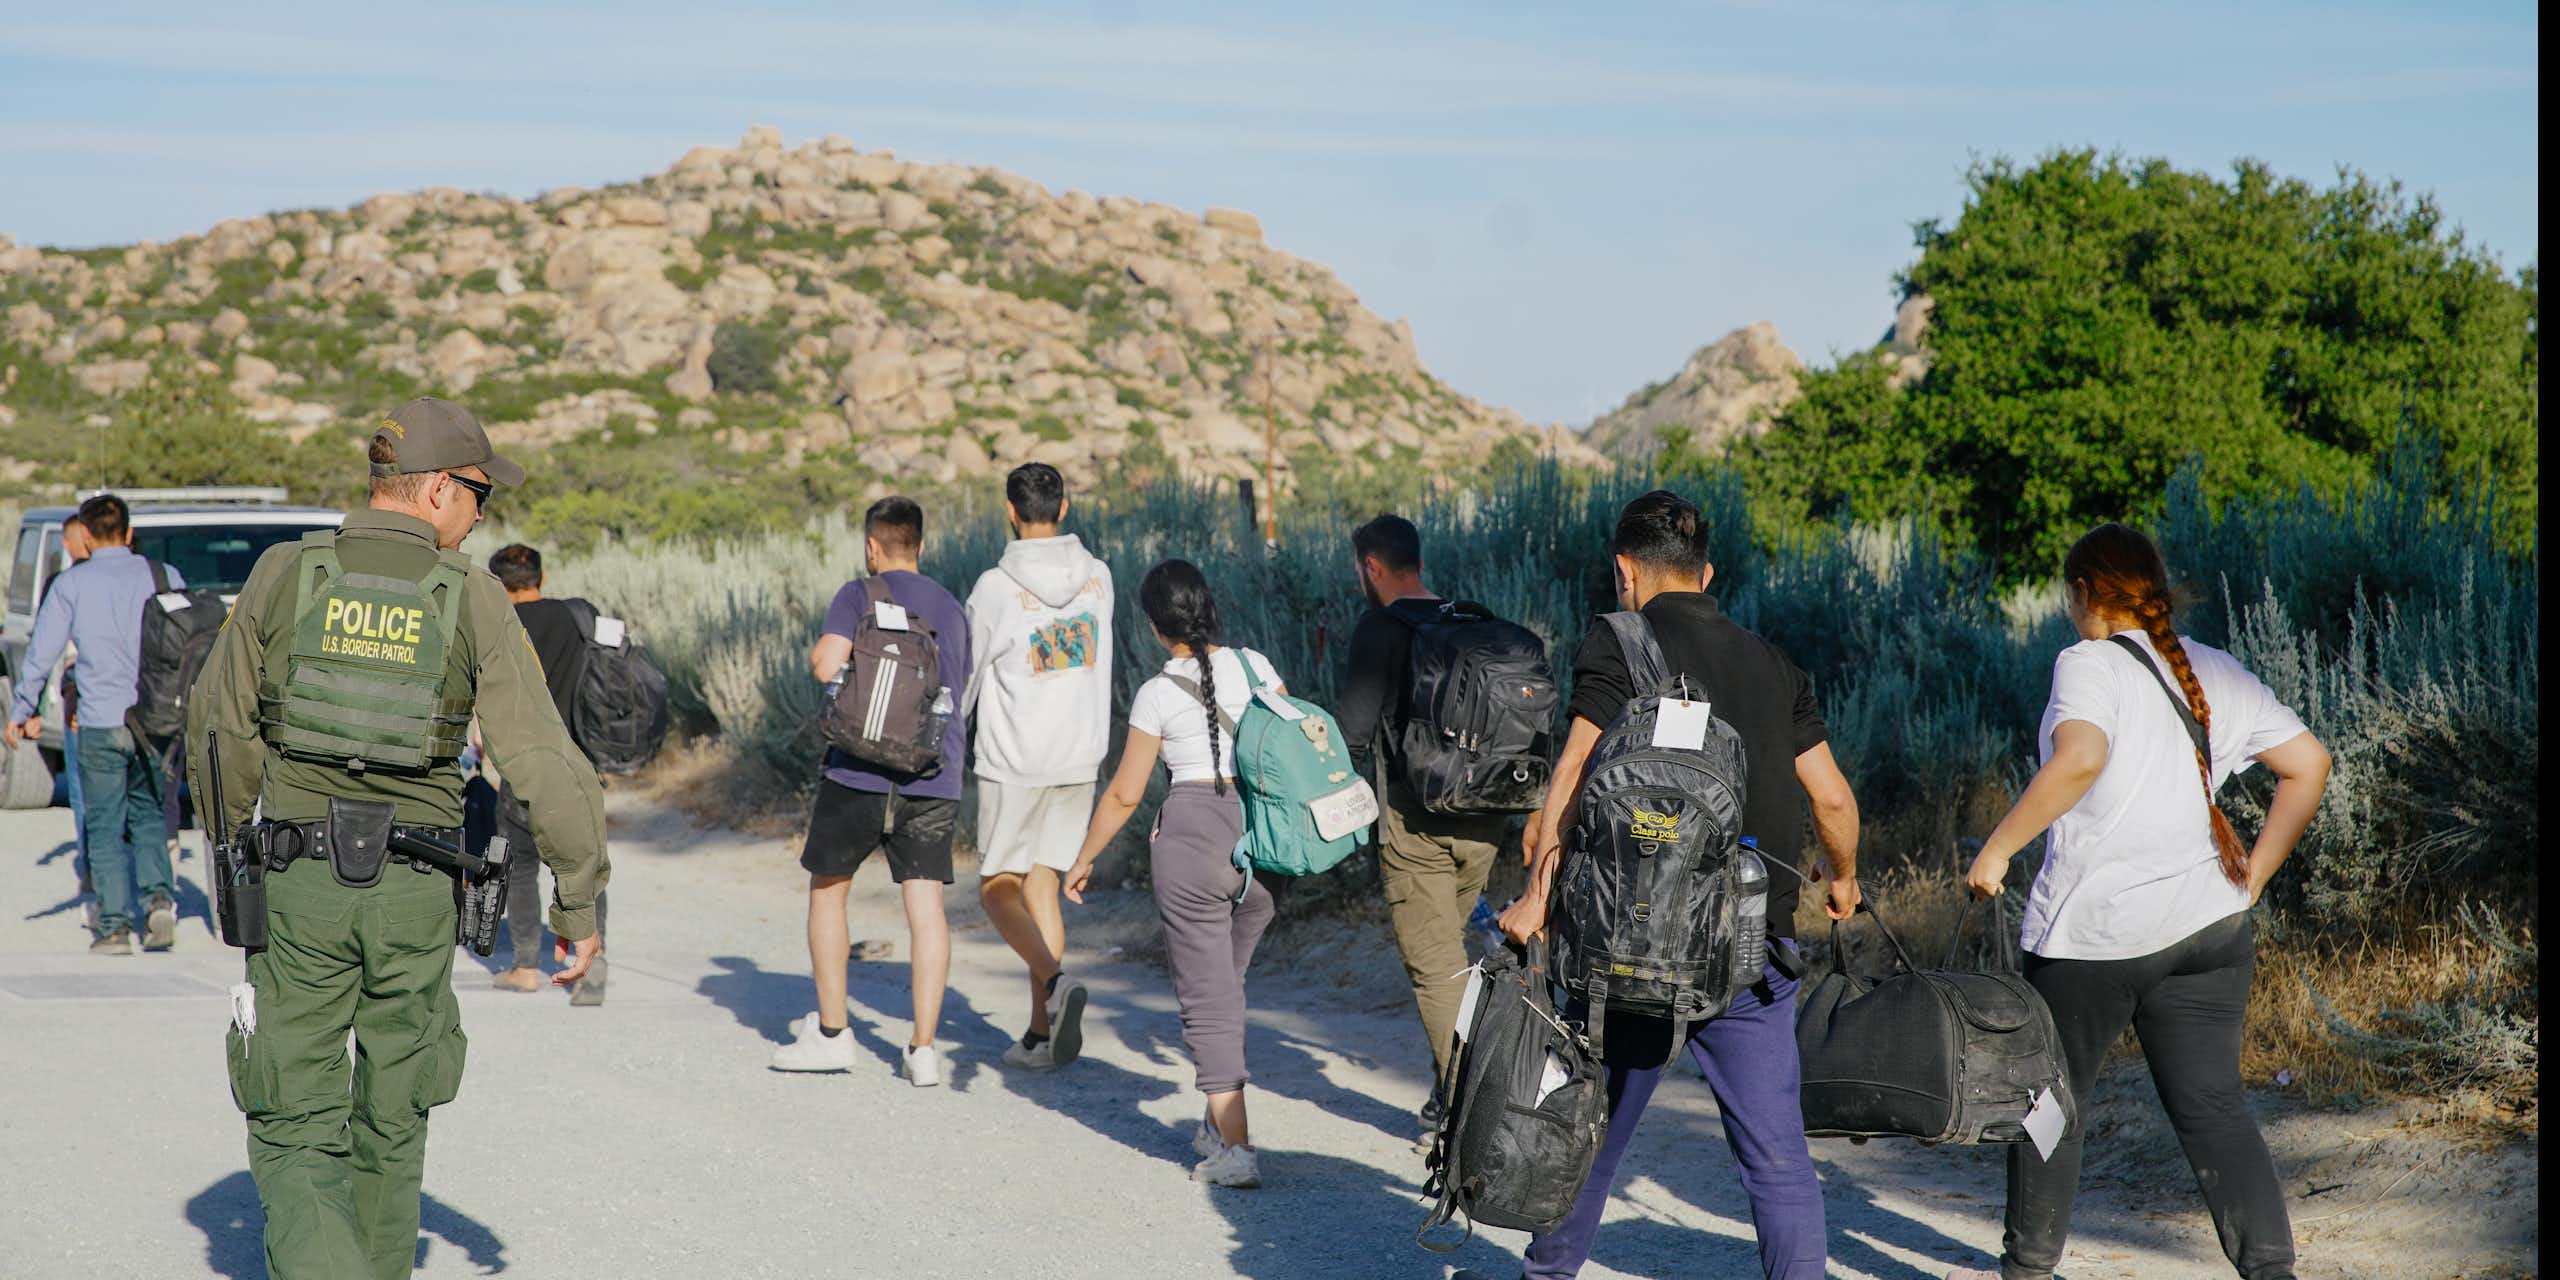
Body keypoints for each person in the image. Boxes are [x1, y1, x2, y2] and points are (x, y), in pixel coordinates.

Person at [185, 397, 608, 1279]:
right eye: (482, 495)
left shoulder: (282, 574)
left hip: (296, 886)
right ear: (439, 492)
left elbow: (219, 729)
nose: (484, 515)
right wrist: (578, 898)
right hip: (417, 893)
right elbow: (540, 756)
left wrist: (232, 859)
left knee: (295, 1118)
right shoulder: (476, 598)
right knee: (395, 1110)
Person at [1490, 489, 1863, 1280]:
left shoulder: (1616, 643)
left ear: (1625, 569)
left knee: (1591, 1131)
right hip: (1756, 941)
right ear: (1709, 572)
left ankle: (1547, 1274)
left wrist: (1535, 899)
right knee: (1776, 1156)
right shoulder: (1774, 663)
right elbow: (1830, 796)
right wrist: (1845, 876)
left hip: (1636, 944)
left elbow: (1573, 776)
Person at [1949, 523, 2329, 1280]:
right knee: (2214, 1109)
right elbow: (2309, 764)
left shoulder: (2087, 663)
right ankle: (2272, 1272)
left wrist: (1997, 849)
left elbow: (2081, 758)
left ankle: (2026, 1271)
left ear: (2085, 593)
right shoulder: (2213, 667)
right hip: (2209, 930)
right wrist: (2252, 877)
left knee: (2048, 1105)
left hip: (2096, 935)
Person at [1062, 559, 1282, 1190]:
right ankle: (1217, 1127)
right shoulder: (1259, 667)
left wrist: (1084, 859)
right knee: (1228, 987)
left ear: (1158, 629)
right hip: (1264, 839)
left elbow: (1127, 793)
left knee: (1206, 1001)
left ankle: (1236, 1150)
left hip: (1192, 838)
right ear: (1209, 608)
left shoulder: (1157, 693)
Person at [771, 496, 971, 1087]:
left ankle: (833, 1035)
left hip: (856, 772)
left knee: (829, 894)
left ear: (871, 547)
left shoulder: (857, 594)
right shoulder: (952, 608)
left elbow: (824, 665)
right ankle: (924, 1050)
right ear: (922, 547)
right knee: (926, 909)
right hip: (933, 776)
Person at [1332, 512, 1511, 1137]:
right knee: (1453, 960)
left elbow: (1352, 734)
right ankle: (1446, 1104)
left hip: (1415, 826)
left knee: (1435, 969)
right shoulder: (1475, 618)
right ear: (1420, 564)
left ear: (1371, 568)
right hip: (1486, 820)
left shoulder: (1379, 627)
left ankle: (1479, 1112)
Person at [961, 462, 1112, 1071]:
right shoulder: (1099, 576)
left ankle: (1054, 983)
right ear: (1065, 508)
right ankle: (1039, 1035)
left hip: (1016, 759)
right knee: (1041, 884)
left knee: (998, 888)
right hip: (1080, 753)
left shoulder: (995, 587)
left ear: (1010, 510)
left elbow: (968, 675)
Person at [7, 494, 181, 955]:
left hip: (100, 721)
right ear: (127, 533)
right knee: (149, 814)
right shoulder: (164, 576)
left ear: (83, 536)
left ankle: (115, 928)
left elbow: (41, 654)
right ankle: (159, 901)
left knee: (104, 824)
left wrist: (21, 711)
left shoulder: (71, 585)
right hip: (157, 720)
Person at [482, 542, 612, 1006]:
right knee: (583, 867)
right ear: (543, 576)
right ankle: (591, 972)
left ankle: (525, 967)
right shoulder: (577, 620)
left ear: (498, 583)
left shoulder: (499, 623)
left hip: (522, 767)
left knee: (519, 870)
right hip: (578, 764)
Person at [55, 511, 96, 930]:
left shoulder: (73, 586)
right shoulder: (134, 578)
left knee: (86, 795)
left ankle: (95, 875)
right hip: (102, 701)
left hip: (84, 700)